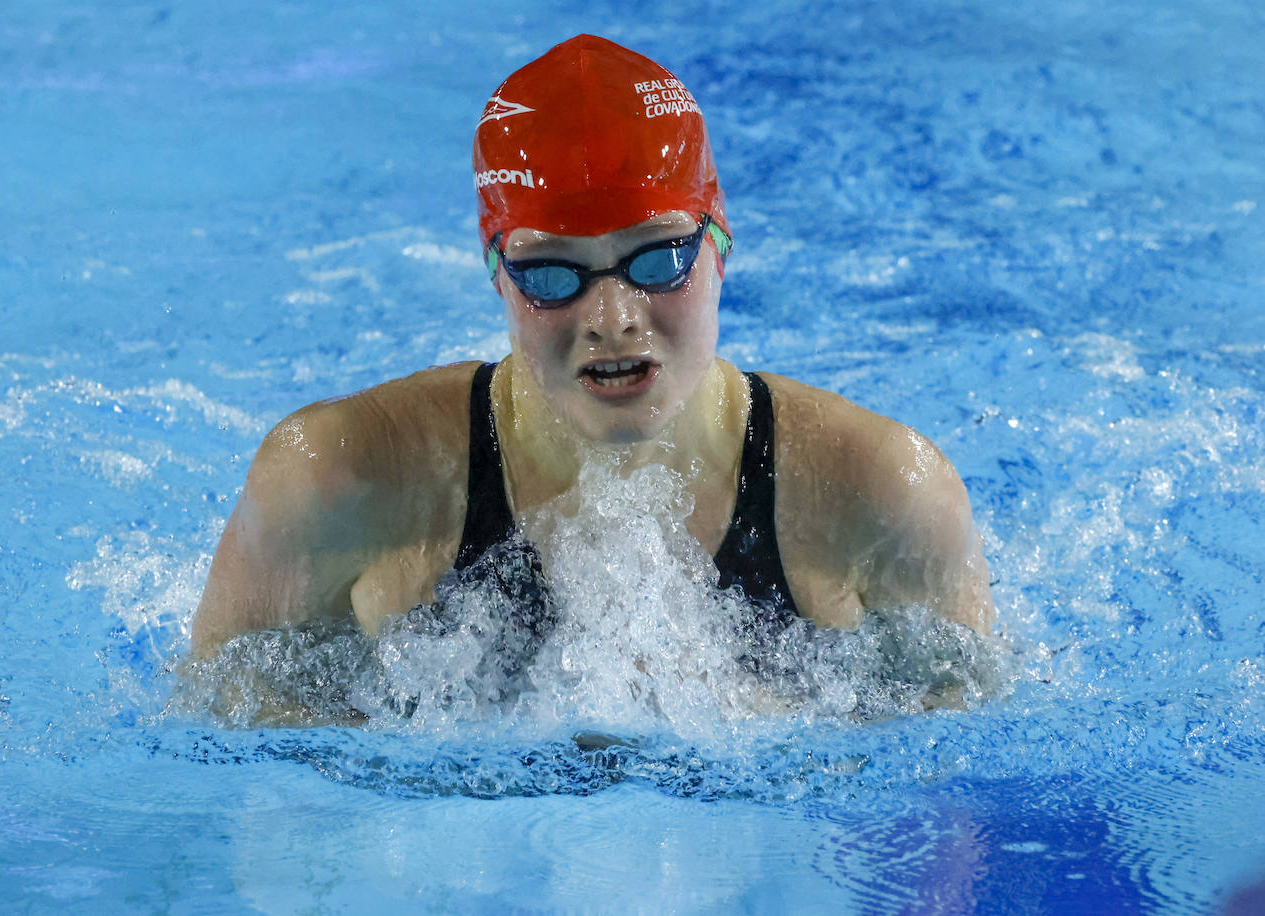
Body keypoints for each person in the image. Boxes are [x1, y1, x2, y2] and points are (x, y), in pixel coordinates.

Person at [190, 34, 994, 662]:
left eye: (659, 258)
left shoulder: (886, 496)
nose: (612, 315)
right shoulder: (334, 484)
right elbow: (228, 778)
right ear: (498, 277)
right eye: (551, 274)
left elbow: (960, 799)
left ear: (721, 247)